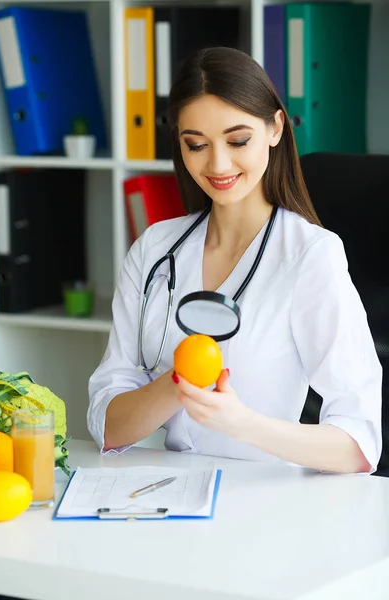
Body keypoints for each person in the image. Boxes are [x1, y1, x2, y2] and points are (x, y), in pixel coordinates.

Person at [88, 47, 382, 474]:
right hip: (172, 495)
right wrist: (179, 384)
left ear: (276, 128)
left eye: (238, 140)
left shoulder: (310, 256)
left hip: (265, 501)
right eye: (196, 145)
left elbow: (358, 445)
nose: (218, 164)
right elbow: (108, 428)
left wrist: (241, 423)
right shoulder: (154, 250)